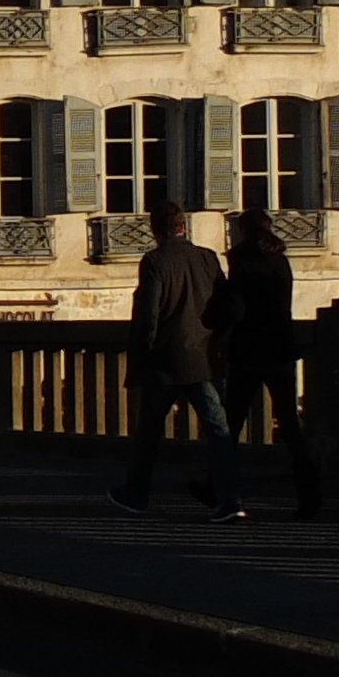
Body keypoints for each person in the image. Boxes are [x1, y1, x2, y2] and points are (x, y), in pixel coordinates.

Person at [110, 202, 244, 521]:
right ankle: (230, 500)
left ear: (155, 229)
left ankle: (136, 494)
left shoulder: (155, 260)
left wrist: (141, 356)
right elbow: (226, 307)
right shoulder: (207, 258)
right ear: (184, 226)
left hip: (165, 360)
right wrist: (215, 338)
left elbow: (148, 316)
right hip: (203, 359)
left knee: (149, 431)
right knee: (219, 431)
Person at [224, 211, 325, 519]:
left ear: (242, 230)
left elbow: (238, 307)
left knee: (229, 425)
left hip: (249, 349)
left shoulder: (241, 259)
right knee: (292, 429)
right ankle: (309, 497)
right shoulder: (280, 258)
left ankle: (221, 490)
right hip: (280, 348)